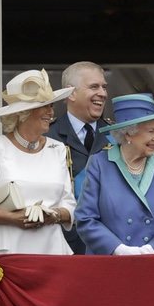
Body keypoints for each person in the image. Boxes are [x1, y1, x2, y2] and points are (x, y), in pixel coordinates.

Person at [0, 69, 77, 254]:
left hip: (51, 251)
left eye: (51, 106)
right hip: (5, 251)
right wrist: (13, 218)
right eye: (45, 106)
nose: (51, 112)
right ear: (24, 113)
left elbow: (69, 205)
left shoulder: (57, 149)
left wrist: (53, 216)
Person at [75, 93, 154, 255]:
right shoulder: (100, 164)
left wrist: (153, 248)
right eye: (151, 131)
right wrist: (118, 249)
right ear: (128, 133)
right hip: (108, 264)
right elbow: (85, 218)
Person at [46, 61, 111, 254]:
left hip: (108, 242)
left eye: (104, 87)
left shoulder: (117, 136)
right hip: (61, 241)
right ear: (71, 93)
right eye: (94, 87)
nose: (103, 93)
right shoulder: (47, 135)